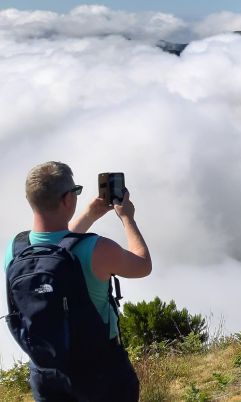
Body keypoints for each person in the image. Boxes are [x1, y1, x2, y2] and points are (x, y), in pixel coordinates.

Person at [4, 161, 152, 401]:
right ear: (66, 200)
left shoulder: (14, 250)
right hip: (101, 371)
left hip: (46, 374)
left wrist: (89, 215)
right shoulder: (98, 249)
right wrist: (127, 218)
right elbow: (143, 265)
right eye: (75, 192)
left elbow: (57, 246)